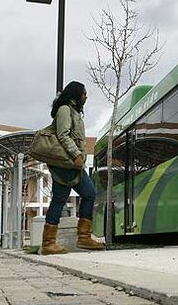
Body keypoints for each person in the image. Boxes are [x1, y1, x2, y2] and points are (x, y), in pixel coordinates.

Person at [40, 81, 105, 254]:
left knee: (88, 193)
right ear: (76, 94)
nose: (86, 96)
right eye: (84, 93)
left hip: (73, 164)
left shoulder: (75, 112)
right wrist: (76, 155)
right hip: (66, 164)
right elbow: (63, 135)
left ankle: (83, 238)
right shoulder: (64, 110)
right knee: (61, 200)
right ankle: (48, 243)